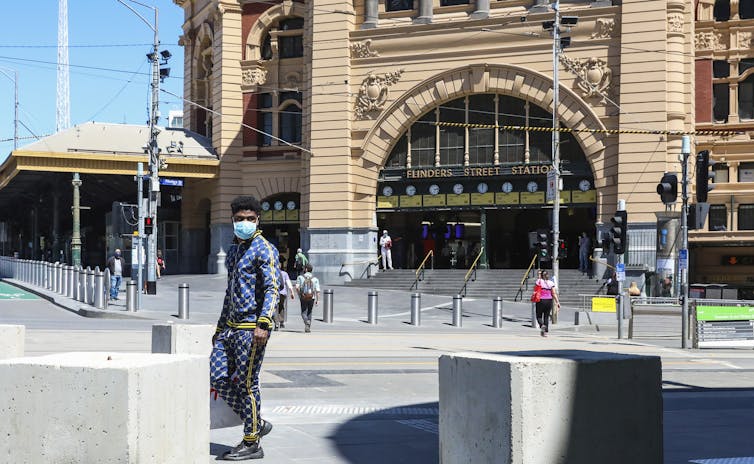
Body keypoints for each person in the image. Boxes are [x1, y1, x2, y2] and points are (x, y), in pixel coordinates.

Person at [210, 195, 279, 461]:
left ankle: (252, 441)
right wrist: (219, 329)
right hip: (229, 328)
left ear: (258, 219)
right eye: (240, 219)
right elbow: (230, 293)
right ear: (232, 220)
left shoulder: (264, 249)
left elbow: (273, 289)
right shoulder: (234, 250)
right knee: (218, 377)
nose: (245, 223)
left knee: (247, 384)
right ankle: (257, 423)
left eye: (250, 219)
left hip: (252, 328)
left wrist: (264, 323)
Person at [296, 263, 321, 333]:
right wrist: (317, 300)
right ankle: (308, 327)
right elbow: (318, 290)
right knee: (309, 312)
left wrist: (299, 294)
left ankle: (306, 321)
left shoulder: (300, 277)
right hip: (311, 297)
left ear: (306, 269)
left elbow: (297, 287)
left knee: (303, 312)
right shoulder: (315, 279)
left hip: (303, 297)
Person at [535, 270, 559, 337]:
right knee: (546, 316)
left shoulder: (539, 281)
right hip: (549, 301)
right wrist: (557, 302)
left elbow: (537, 285)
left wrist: (539, 274)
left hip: (540, 300)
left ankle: (542, 325)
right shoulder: (551, 283)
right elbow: (554, 293)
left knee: (539, 315)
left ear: (542, 275)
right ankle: (545, 332)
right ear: (548, 275)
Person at [274, 259, 295, 331]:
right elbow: (288, 283)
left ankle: (276, 324)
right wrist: (292, 292)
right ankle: (282, 322)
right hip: (283, 293)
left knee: (275, 308)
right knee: (282, 307)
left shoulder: (273, 273)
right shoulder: (285, 273)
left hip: (275, 293)